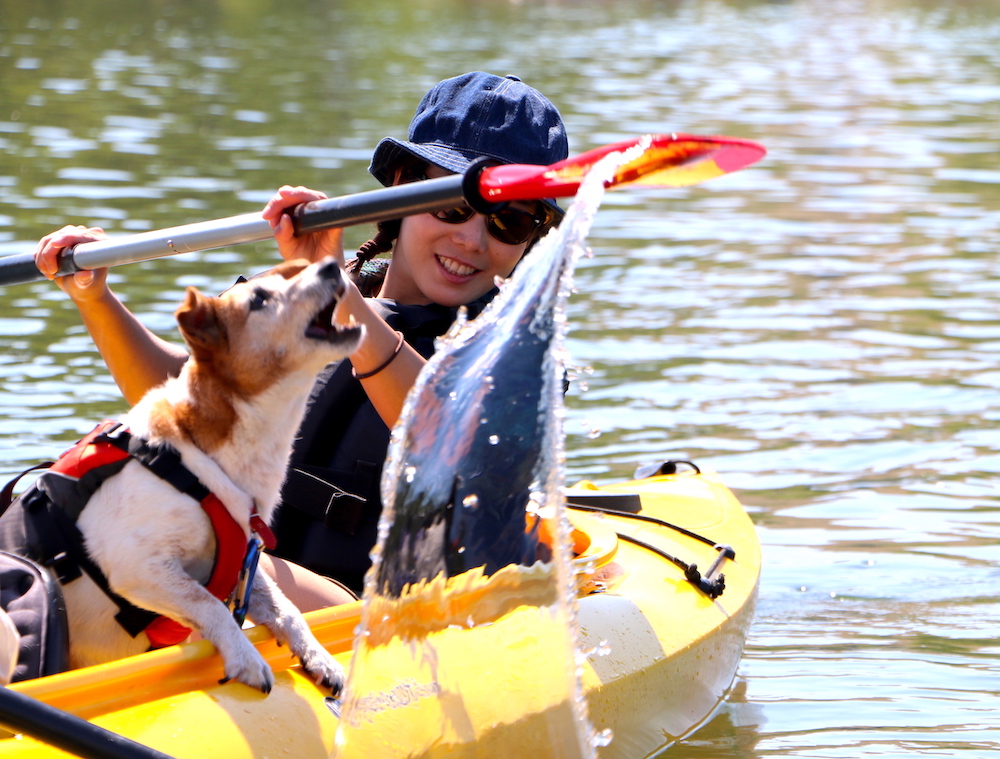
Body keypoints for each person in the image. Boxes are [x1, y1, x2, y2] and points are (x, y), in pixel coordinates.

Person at [33, 71, 569, 602]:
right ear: (404, 185)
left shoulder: (523, 356)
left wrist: (338, 296)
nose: (472, 239)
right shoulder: (298, 290)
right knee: (61, 510)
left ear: (533, 236)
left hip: (388, 616)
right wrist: (95, 299)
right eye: (452, 208)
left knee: (168, 554)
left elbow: (445, 434)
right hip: (262, 576)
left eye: (509, 224)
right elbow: (180, 399)